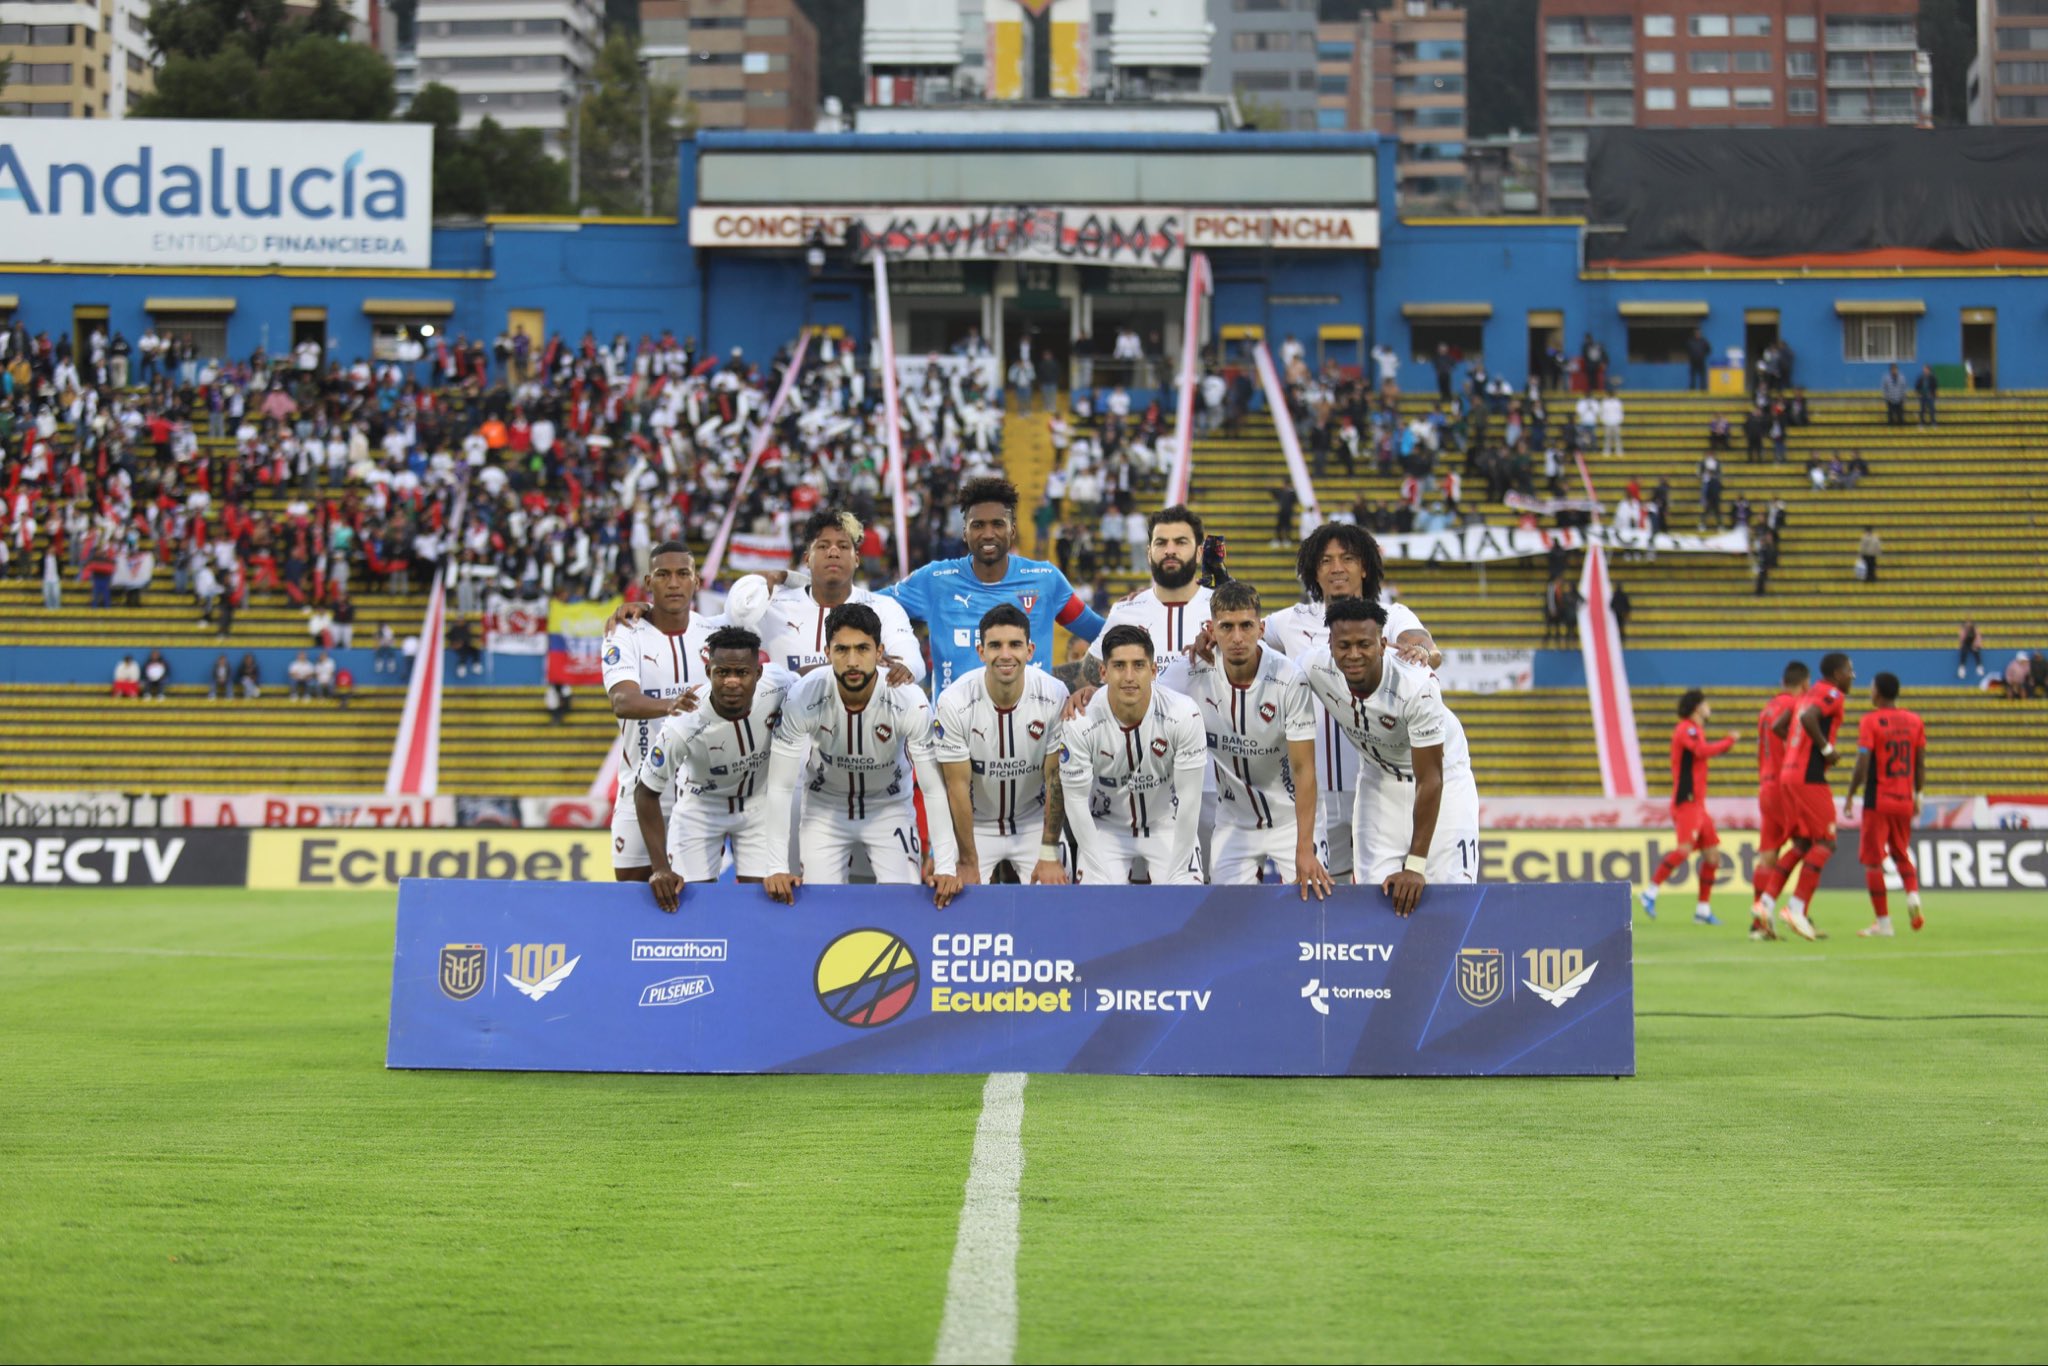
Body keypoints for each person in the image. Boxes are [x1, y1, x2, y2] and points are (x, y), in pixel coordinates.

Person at [1261, 523, 1445, 887]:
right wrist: (1208, 637)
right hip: (1315, 787)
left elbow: (1424, 645)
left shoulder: (1389, 616)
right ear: (1314, 571)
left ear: (1365, 567)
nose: (1336, 568)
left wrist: (1423, 651)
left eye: (1347, 558)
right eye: (1326, 560)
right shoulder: (1289, 621)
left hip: (1374, 784)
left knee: (1375, 892)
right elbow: (1242, 633)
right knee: (1323, 892)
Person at [759, 603, 962, 903]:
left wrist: (946, 864)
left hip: (889, 807)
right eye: (841, 650)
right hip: (825, 810)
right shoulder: (803, 695)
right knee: (819, 907)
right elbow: (780, 786)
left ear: (880, 652)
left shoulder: (908, 699)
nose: (852, 661)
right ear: (826, 653)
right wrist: (775, 866)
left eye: (862, 649)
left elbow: (933, 788)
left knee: (904, 904)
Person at [1297, 596, 1480, 911]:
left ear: (1383, 644)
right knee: (1373, 900)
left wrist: (1416, 865)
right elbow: (1262, 664)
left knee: (1451, 897)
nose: (1354, 655)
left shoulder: (1416, 685)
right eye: (1344, 646)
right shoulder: (1313, 667)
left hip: (1443, 781)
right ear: (1330, 644)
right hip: (1379, 779)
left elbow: (1431, 779)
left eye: (1364, 644)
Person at [1159, 582, 1332, 896]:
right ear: (1211, 629)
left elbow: (1304, 769)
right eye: (1226, 627)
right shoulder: (1189, 671)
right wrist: (1091, 693)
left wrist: (1304, 848)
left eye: (1246, 626)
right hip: (1234, 823)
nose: (1237, 638)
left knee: (1312, 911)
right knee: (1229, 922)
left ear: (1261, 628)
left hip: (1291, 821)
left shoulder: (1289, 679)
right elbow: (1141, 695)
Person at [879, 478, 1105, 690]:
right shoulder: (936, 580)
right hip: (953, 727)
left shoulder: (1045, 580)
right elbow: (869, 606)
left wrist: (1132, 609)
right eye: (978, 525)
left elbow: (1101, 633)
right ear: (965, 533)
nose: (988, 534)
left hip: (1030, 727)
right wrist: (893, 651)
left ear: (1012, 530)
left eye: (998, 524)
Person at [632, 627, 799, 911]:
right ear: (708, 671)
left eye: (742, 673)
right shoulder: (682, 723)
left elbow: (817, 683)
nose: (732, 682)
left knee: (767, 901)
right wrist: (660, 868)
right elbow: (645, 793)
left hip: (759, 805)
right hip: (701, 809)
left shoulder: (780, 683)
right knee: (687, 903)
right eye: (722, 673)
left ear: (758, 673)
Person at [601, 541, 725, 884]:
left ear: (696, 582)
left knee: (699, 903)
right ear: (648, 582)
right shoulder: (623, 633)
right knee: (635, 902)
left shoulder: (715, 634)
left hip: (701, 797)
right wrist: (669, 706)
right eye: (663, 575)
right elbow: (622, 702)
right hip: (637, 793)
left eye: (683, 574)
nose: (673, 583)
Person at [932, 605, 1071, 885]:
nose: (1005, 655)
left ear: (1030, 651)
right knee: (961, 904)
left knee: (1055, 899)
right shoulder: (954, 702)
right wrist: (968, 860)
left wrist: (1047, 853)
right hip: (976, 826)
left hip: (1034, 821)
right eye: (995, 645)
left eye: (1015, 645)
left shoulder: (1055, 694)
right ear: (981, 651)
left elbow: (1055, 779)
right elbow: (956, 787)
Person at [1058, 623, 1207, 885]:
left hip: (1168, 825)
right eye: (1119, 666)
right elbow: (1076, 803)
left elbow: (1190, 800)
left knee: (1184, 897)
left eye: (1138, 665)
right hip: (1106, 828)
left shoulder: (1183, 713)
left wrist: (1180, 871)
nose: (1129, 676)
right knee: (1097, 902)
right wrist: (1098, 870)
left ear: (1153, 670)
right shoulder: (1080, 721)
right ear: (1103, 672)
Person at [1762, 651, 1855, 942]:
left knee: (1802, 842)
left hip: (1788, 774)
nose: (1852, 676)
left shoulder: (1805, 695)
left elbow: (1779, 727)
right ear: (1837, 673)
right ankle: (1797, 907)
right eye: (1849, 670)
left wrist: (1793, 750)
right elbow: (1811, 719)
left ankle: (1764, 904)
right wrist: (1826, 750)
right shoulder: (1832, 694)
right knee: (1826, 841)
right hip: (1808, 776)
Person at [1640, 689, 1738, 925]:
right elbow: (1701, 752)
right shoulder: (1686, 729)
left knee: (1713, 857)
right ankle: (1649, 892)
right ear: (1697, 707)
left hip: (1698, 805)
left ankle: (1702, 911)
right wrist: (1728, 742)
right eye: (1706, 704)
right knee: (1684, 849)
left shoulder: (1696, 731)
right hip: (1687, 802)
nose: (1709, 708)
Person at [1844, 672, 1926, 937]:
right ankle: (1912, 895)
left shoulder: (1871, 721)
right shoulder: (1915, 721)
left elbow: (1863, 762)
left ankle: (1883, 922)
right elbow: (1920, 762)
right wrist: (1919, 795)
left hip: (1878, 800)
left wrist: (1850, 793)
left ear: (1878, 693)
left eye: (1871, 687)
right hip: (1905, 799)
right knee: (1901, 852)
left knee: (1873, 861)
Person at [1747, 659, 1808, 940]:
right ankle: (1791, 909)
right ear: (1805, 683)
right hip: (1785, 786)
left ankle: (1759, 920)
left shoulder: (1766, 709)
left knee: (1768, 854)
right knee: (1809, 843)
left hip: (1766, 785)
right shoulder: (1794, 706)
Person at [1599, 388, 1624, 458]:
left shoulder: (1617, 402)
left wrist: (1619, 420)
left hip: (1616, 422)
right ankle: (1607, 451)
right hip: (1607, 422)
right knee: (1607, 438)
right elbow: (1602, 412)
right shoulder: (1604, 402)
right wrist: (1603, 420)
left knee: (1617, 437)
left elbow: (1620, 412)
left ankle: (1619, 451)